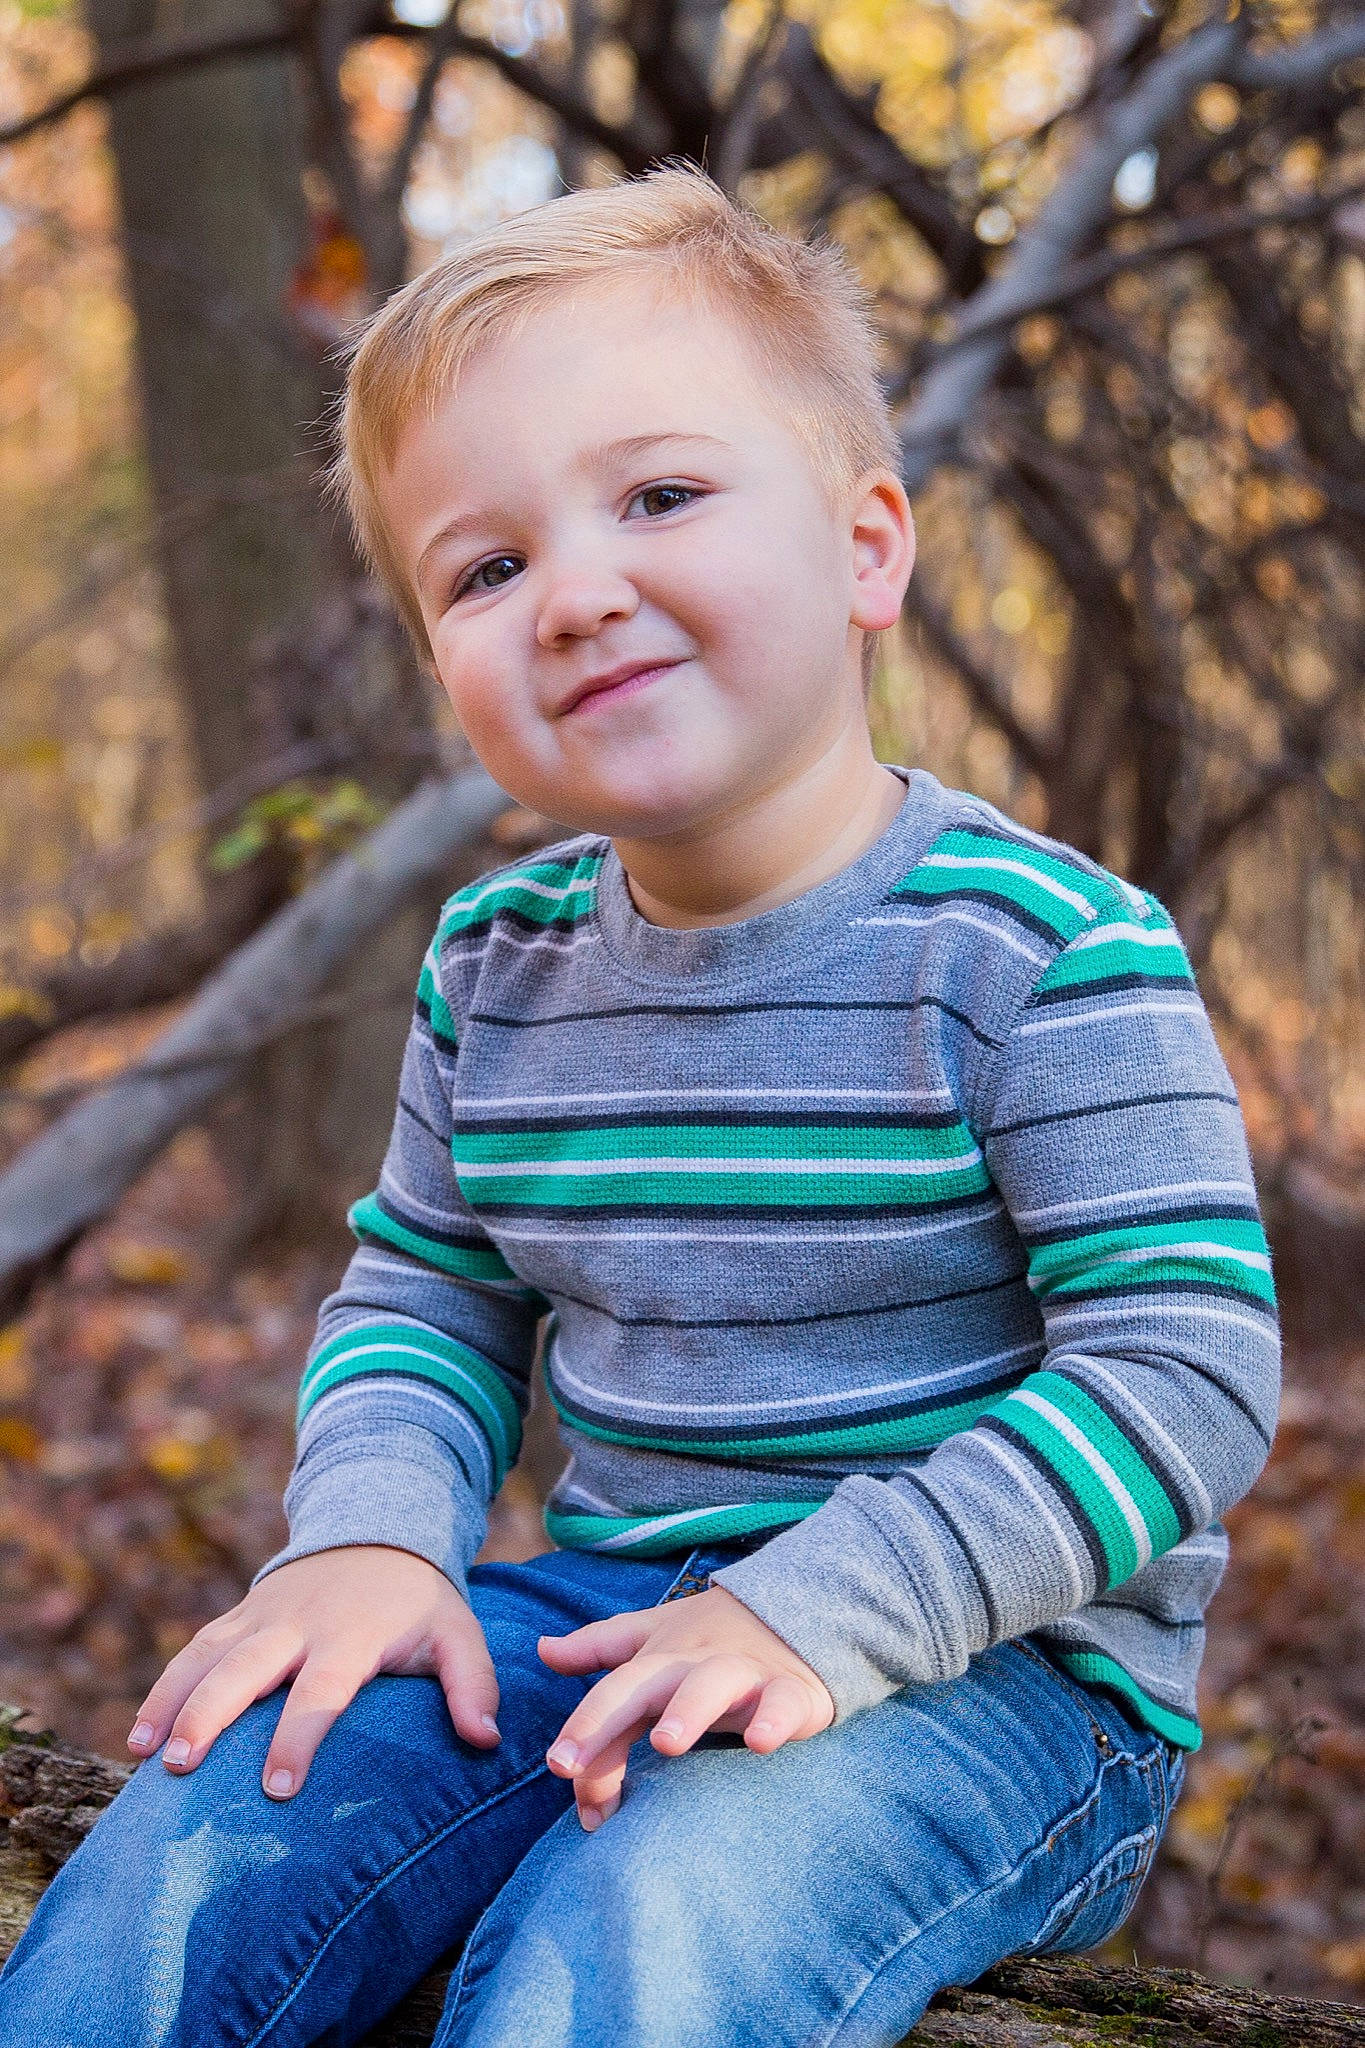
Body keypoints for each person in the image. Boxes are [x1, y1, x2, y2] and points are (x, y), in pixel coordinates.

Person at [0, 164, 1279, 2048]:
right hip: (603, 1604)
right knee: (214, 1823)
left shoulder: (1035, 952)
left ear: (863, 551)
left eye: (660, 497)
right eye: (486, 566)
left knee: (637, 1936)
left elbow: (1182, 1369)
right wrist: (367, 1537)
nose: (577, 592)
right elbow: (427, 1294)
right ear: (441, 660)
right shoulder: (498, 960)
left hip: (999, 1675)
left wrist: (810, 1618)